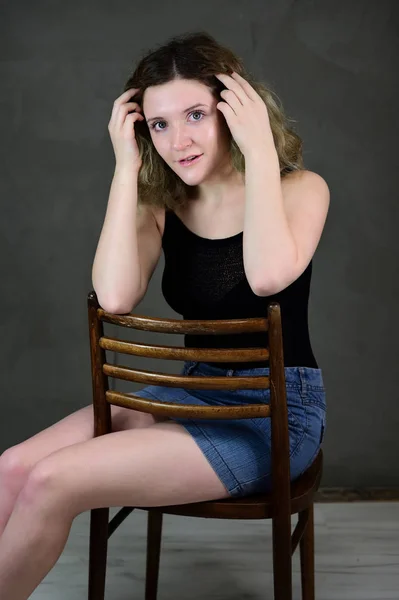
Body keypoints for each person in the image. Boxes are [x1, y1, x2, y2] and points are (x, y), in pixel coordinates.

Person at [0, 31, 330, 598]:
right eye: (159, 124)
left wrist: (259, 151)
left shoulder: (299, 189)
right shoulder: (164, 202)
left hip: (273, 415)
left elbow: (268, 277)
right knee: (12, 468)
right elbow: (114, 296)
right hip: (190, 394)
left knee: (54, 482)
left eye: (196, 114)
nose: (179, 141)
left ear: (235, 109)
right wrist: (126, 171)